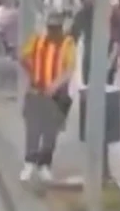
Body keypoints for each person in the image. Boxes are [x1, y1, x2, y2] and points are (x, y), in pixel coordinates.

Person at [18, 12, 77, 183]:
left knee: (50, 132)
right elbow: (23, 57)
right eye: (51, 27)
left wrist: (55, 85)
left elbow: (69, 68)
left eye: (56, 27)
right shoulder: (37, 40)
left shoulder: (68, 43)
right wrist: (32, 74)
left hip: (56, 96)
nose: (53, 31)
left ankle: (44, 165)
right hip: (36, 92)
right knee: (33, 130)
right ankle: (29, 163)